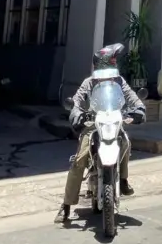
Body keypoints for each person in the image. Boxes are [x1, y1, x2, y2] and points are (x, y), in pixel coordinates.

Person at [54, 44, 146, 224]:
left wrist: (138, 110)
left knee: (126, 142)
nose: (111, 66)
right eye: (110, 63)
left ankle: (124, 179)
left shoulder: (119, 81)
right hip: (93, 124)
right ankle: (66, 205)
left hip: (113, 122)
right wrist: (76, 114)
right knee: (79, 160)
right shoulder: (89, 82)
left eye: (112, 63)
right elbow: (78, 101)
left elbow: (132, 98)